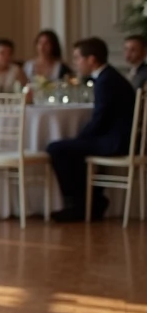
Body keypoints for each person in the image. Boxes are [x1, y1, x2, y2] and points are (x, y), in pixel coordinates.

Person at [47, 37, 137, 221]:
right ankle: (92, 201)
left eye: (78, 58)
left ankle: (78, 204)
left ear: (92, 59)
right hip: (118, 137)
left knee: (56, 149)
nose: (75, 63)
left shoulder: (105, 81)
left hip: (116, 142)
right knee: (71, 149)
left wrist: (80, 138)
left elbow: (100, 119)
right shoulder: (109, 76)